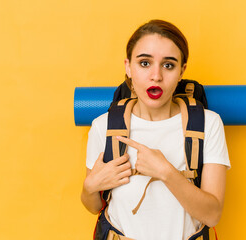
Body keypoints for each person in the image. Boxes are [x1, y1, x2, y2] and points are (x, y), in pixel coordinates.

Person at [81, 19, 230, 240]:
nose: (156, 76)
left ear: (182, 71)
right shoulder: (103, 126)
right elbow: (93, 206)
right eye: (144, 63)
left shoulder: (209, 124)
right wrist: (89, 187)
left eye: (168, 65)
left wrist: (166, 172)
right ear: (128, 67)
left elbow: (212, 215)